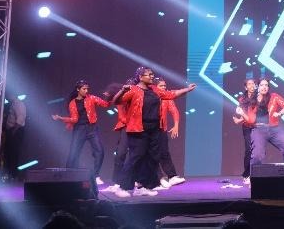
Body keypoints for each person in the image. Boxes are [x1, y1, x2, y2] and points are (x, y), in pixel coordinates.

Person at [115, 66, 196, 198]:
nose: (152, 76)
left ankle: (142, 186)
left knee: (151, 158)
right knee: (136, 157)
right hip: (138, 130)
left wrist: (187, 89)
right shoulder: (134, 90)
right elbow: (117, 101)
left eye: (152, 74)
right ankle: (122, 186)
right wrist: (122, 91)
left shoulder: (154, 90)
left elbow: (171, 94)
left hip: (154, 129)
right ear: (140, 77)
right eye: (149, 74)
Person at [51, 80, 118, 193]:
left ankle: (94, 175)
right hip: (79, 129)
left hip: (92, 129)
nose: (86, 91)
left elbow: (105, 104)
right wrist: (61, 118)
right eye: (84, 89)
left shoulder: (91, 98)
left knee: (100, 152)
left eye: (87, 89)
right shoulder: (73, 103)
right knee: (73, 154)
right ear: (78, 89)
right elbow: (74, 119)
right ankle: (69, 178)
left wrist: (109, 96)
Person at [239, 78, 284, 169]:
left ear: (268, 88)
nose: (264, 87)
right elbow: (250, 119)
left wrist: (279, 113)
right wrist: (241, 114)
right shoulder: (252, 100)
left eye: (266, 85)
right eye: (262, 85)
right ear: (258, 87)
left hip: (274, 130)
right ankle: (255, 176)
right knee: (257, 156)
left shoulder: (274, 96)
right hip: (258, 130)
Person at [155, 78, 186, 189]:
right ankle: (158, 178)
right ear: (155, 87)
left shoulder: (166, 98)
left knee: (164, 153)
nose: (164, 88)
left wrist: (176, 124)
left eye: (164, 86)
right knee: (151, 154)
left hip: (161, 129)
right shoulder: (151, 96)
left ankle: (172, 176)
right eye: (161, 86)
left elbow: (174, 111)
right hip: (149, 129)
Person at [232, 78, 257, 185]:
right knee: (248, 150)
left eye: (253, 84)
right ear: (246, 87)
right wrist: (239, 119)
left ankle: (255, 174)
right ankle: (246, 175)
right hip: (247, 127)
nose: (252, 86)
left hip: (257, 126)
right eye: (249, 84)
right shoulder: (242, 99)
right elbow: (245, 113)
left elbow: (254, 114)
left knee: (257, 151)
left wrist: (240, 119)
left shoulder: (259, 97)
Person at [3, 94, 26, 182]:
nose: (6, 97)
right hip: (11, 130)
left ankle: (13, 175)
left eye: (7, 95)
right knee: (9, 153)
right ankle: (9, 174)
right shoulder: (12, 104)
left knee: (13, 153)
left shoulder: (18, 104)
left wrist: (14, 131)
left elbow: (21, 118)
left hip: (16, 130)